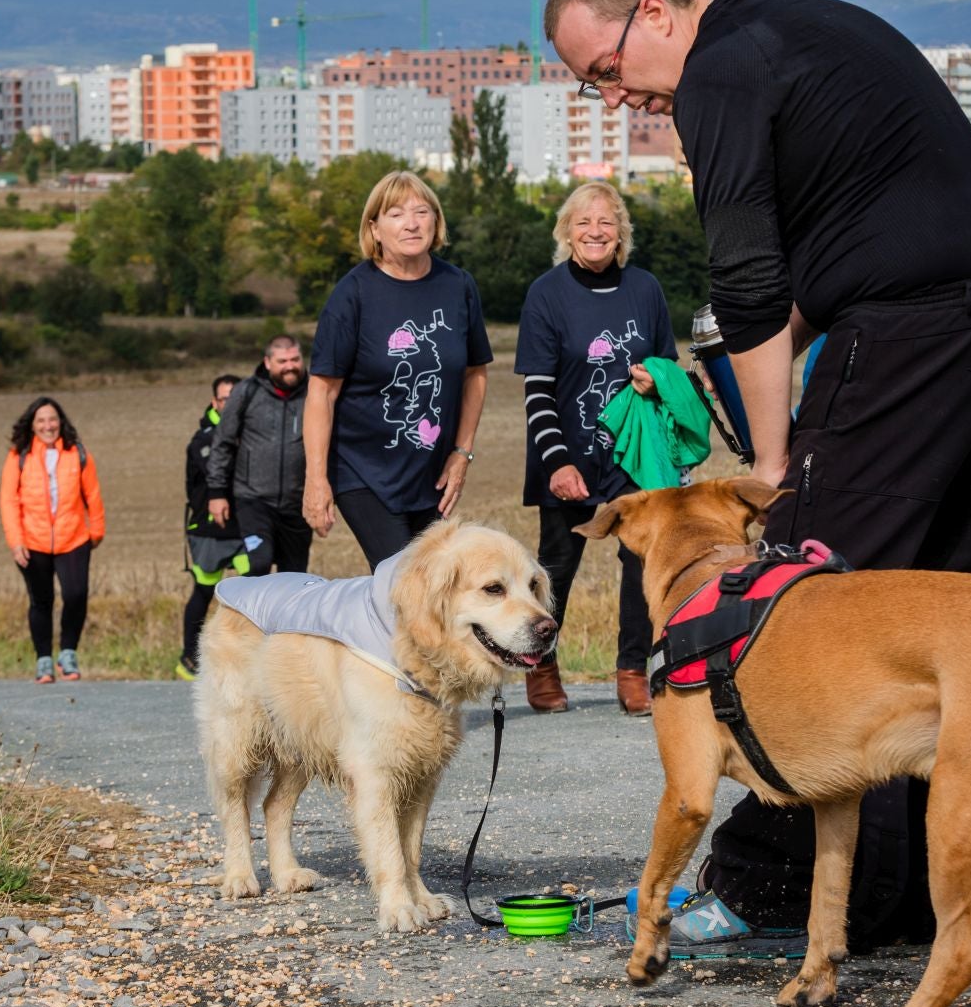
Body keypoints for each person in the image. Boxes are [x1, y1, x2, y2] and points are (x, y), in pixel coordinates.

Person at [546, 0, 971, 954]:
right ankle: (931, 889)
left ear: (652, 11)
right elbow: (795, 280)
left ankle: (768, 884)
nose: (612, 98)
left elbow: (744, 277)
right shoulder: (793, 27)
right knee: (924, 607)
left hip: (915, 324)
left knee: (798, 609)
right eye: (590, 87)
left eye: (604, 70)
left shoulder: (719, 72)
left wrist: (773, 466)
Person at [515, 181, 676, 716]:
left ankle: (633, 669)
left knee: (639, 563)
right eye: (584, 222)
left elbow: (668, 368)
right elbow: (537, 388)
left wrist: (656, 381)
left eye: (606, 222)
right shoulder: (547, 293)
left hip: (633, 455)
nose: (595, 231)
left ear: (621, 233)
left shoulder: (646, 288)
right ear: (567, 231)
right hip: (570, 456)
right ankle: (541, 665)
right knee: (556, 567)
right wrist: (557, 460)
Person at [305, 170, 493, 569]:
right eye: (395, 214)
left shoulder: (458, 285)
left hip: (432, 472)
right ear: (374, 228)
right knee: (403, 579)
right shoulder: (353, 294)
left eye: (421, 211)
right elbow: (322, 391)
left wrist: (462, 453)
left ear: (436, 221)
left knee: (438, 583)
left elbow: (475, 373)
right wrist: (316, 479)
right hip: (363, 470)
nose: (411, 223)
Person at [0, 396, 106, 684]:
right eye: (41, 420)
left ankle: (68, 652)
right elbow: (8, 501)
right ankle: (43, 659)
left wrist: (95, 532)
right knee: (41, 600)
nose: (48, 425)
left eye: (53, 419)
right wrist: (16, 541)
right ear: (32, 425)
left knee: (75, 594)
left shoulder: (78, 453)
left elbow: (92, 496)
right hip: (32, 541)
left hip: (73, 538)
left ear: (61, 422)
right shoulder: (18, 457)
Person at [208, 335, 313, 577]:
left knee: (295, 576)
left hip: (297, 501)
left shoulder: (314, 392)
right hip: (253, 499)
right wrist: (216, 493)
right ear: (268, 362)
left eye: (295, 359)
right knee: (258, 563)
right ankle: (249, 616)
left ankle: (284, 617)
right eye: (282, 360)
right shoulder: (247, 391)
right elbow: (222, 442)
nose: (290, 366)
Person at [180, 374, 248, 681]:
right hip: (209, 531)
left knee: (250, 593)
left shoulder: (250, 431)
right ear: (214, 403)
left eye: (235, 399)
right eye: (224, 399)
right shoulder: (203, 440)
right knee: (204, 591)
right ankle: (189, 658)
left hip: (245, 529)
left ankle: (247, 659)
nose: (230, 405)